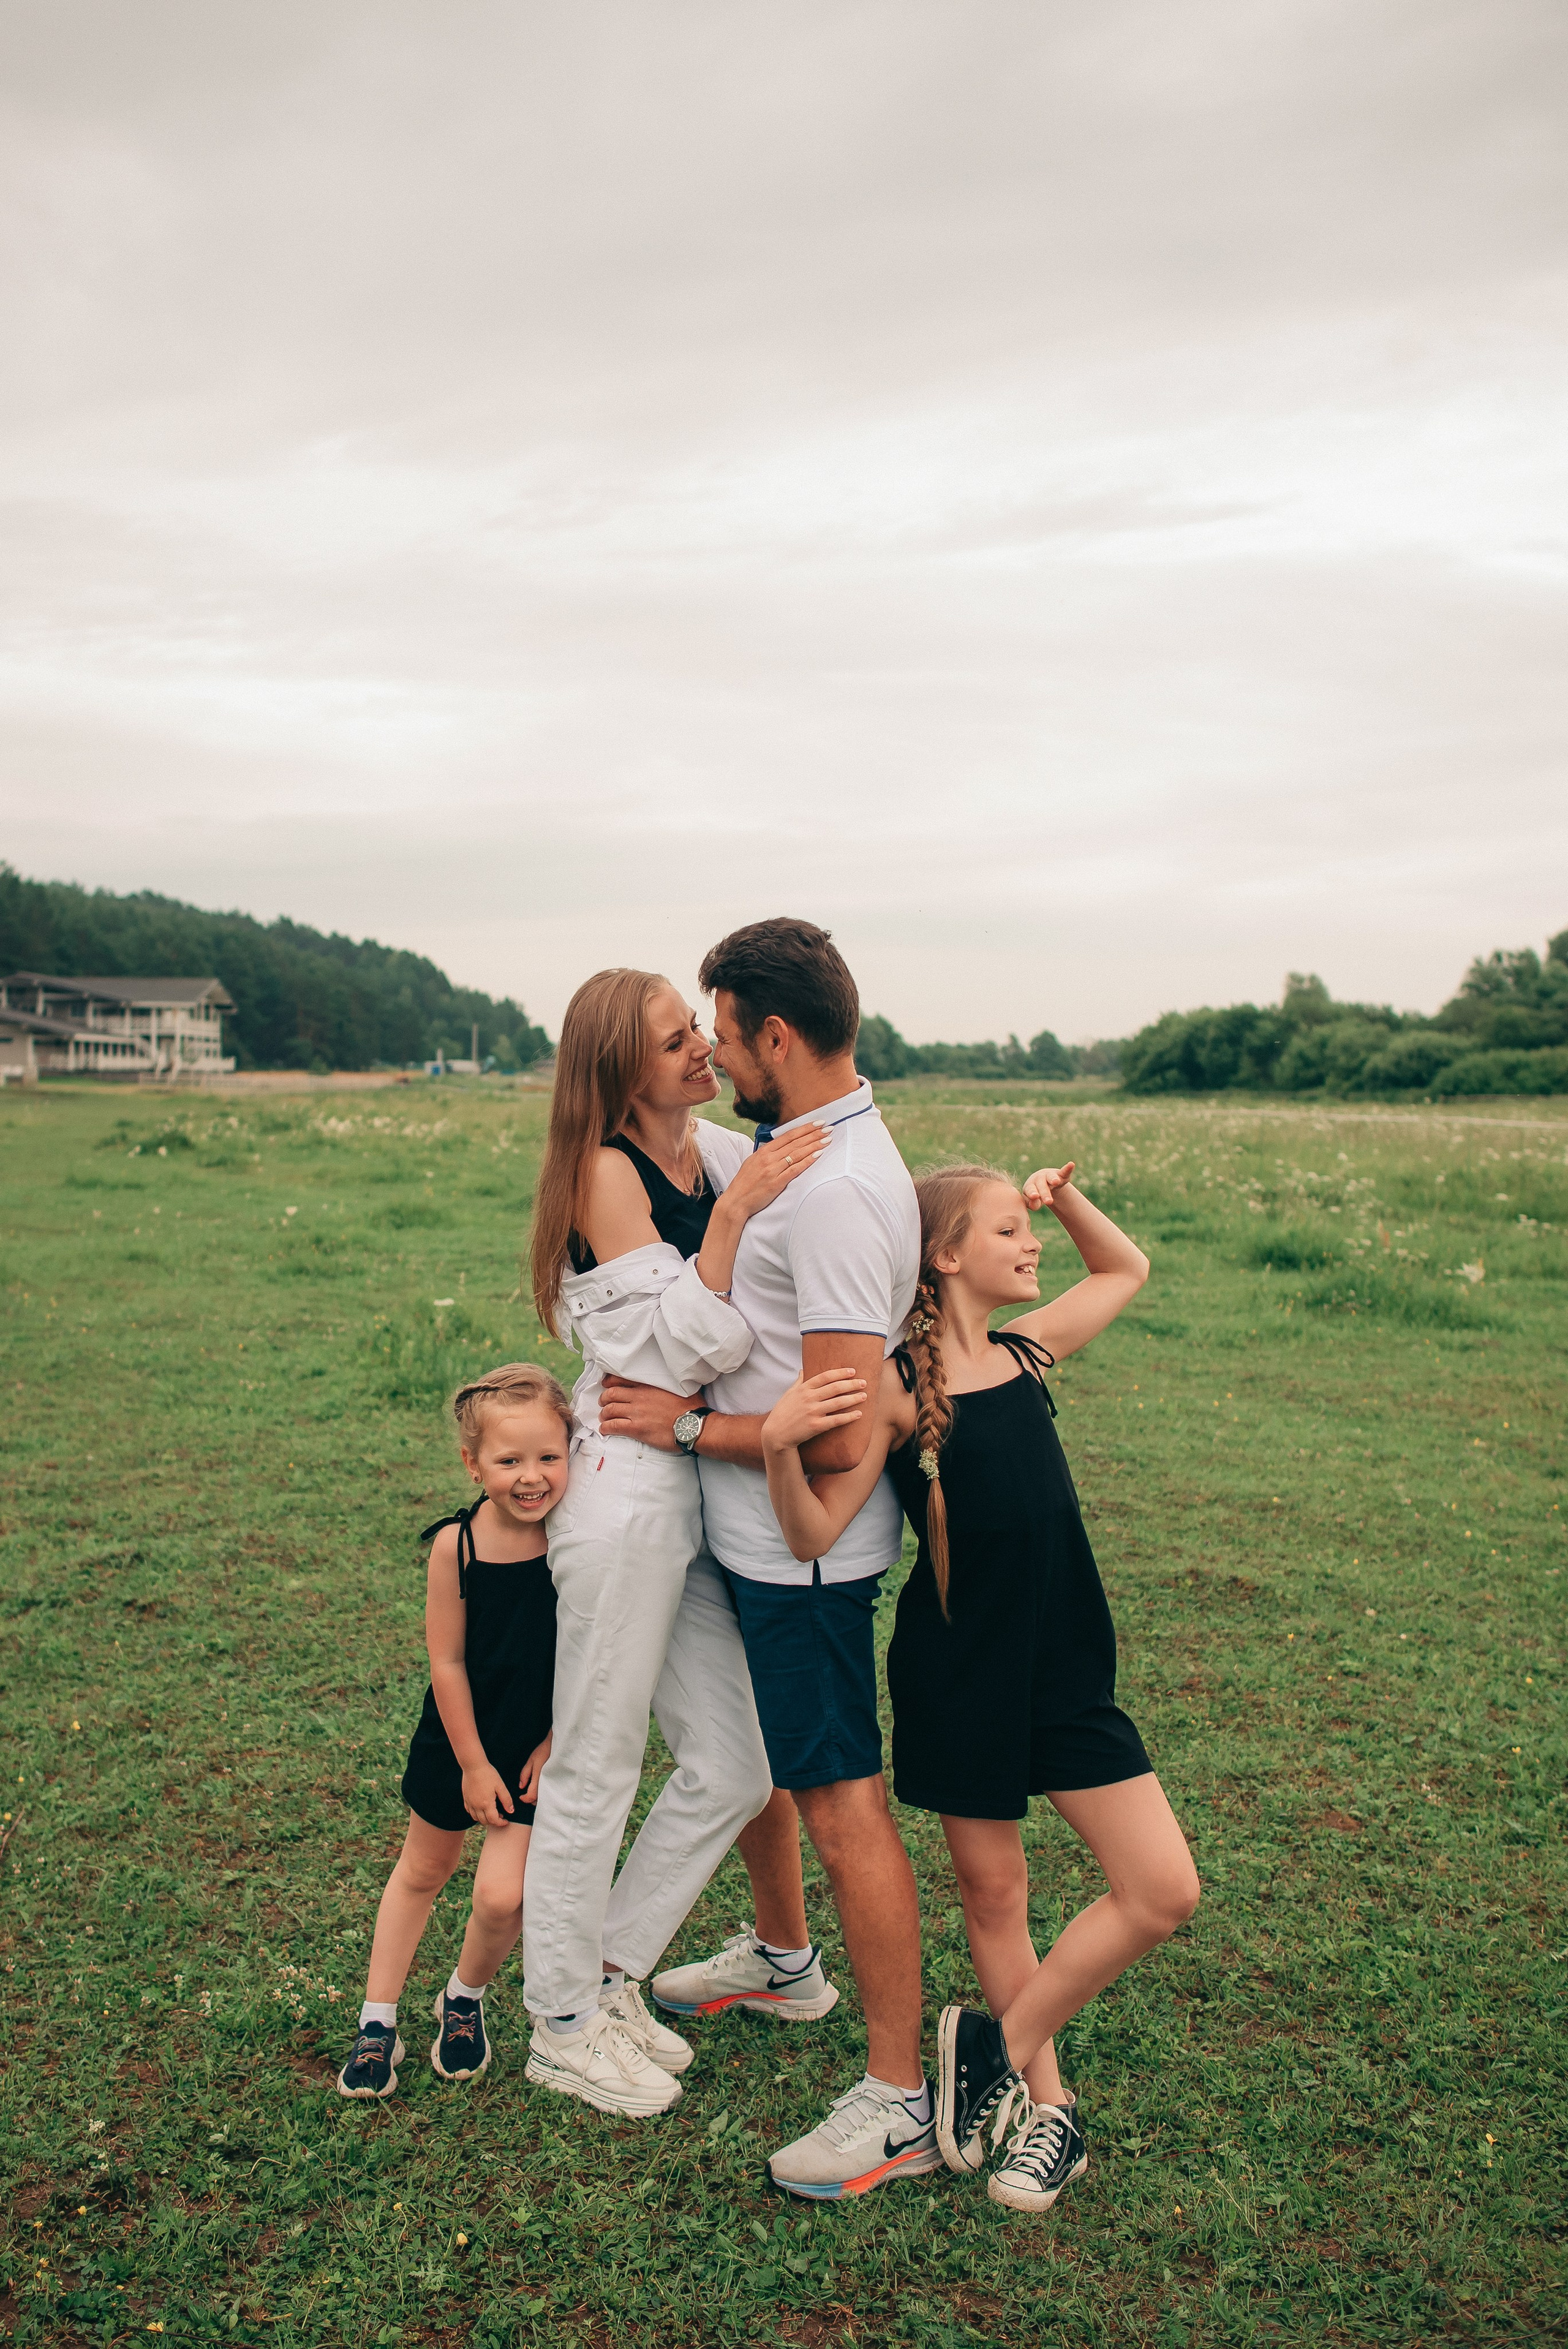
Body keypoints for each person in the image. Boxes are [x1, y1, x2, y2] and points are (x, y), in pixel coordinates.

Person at [760, 1159, 1200, 2214]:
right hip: (960, 1671)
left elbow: (1125, 1268)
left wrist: (1062, 1196)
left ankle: (995, 2048)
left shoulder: (1027, 1350)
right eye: (1008, 1228)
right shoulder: (896, 1389)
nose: (1030, 1242)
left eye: (1026, 1226)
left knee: (1162, 1889)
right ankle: (1051, 2113)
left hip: (1068, 1665)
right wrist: (778, 1448)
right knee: (997, 1897)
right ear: (946, 1255)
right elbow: (813, 1531)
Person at [598, 918, 932, 2201]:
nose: (715, 1055)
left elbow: (837, 1438)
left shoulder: (837, 1190)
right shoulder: (805, 1152)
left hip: (809, 1562)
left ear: (776, 1036)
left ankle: (897, 2099)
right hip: (751, 1541)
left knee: (843, 1806)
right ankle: (785, 1960)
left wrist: (686, 1426)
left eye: (724, 1035)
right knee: (769, 1761)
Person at [520, 967, 831, 2118]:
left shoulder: (712, 1146)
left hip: (695, 1482)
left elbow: (714, 1335)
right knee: (598, 1761)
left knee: (739, 1762)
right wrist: (737, 1219)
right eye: (671, 1038)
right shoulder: (607, 1172)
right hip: (624, 1490)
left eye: (695, 1026)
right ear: (618, 1072)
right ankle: (561, 2026)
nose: (701, 1045)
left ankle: (605, 1974)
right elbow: (692, 1350)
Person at [337, 1362, 570, 2100]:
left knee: (502, 1898)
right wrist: (471, 1763)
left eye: (548, 1456)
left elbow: (595, 1653)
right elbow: (447, 1662)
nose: (530, 1477)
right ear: (473, 1464)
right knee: (423, 1872)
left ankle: (463, 1998)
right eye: (509, 1461)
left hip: (534, 1749)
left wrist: (555, 1740)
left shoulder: (575, 1539)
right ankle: (378, 2022)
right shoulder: (456, 1547)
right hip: (458, 1740)